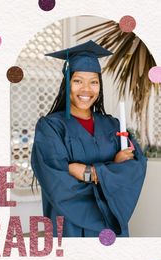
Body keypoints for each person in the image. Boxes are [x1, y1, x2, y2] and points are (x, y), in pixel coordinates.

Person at [31, 40, 147, 237]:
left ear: (99, 86)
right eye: (78, 81)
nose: (86, 89)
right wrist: (112, 170)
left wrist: (89, 172)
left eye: (93, 82)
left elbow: (136, 168)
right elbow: (57, 184)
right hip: (71, 226)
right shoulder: (50, 127)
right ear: (67, 84)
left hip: (112, 229)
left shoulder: (113, 126)